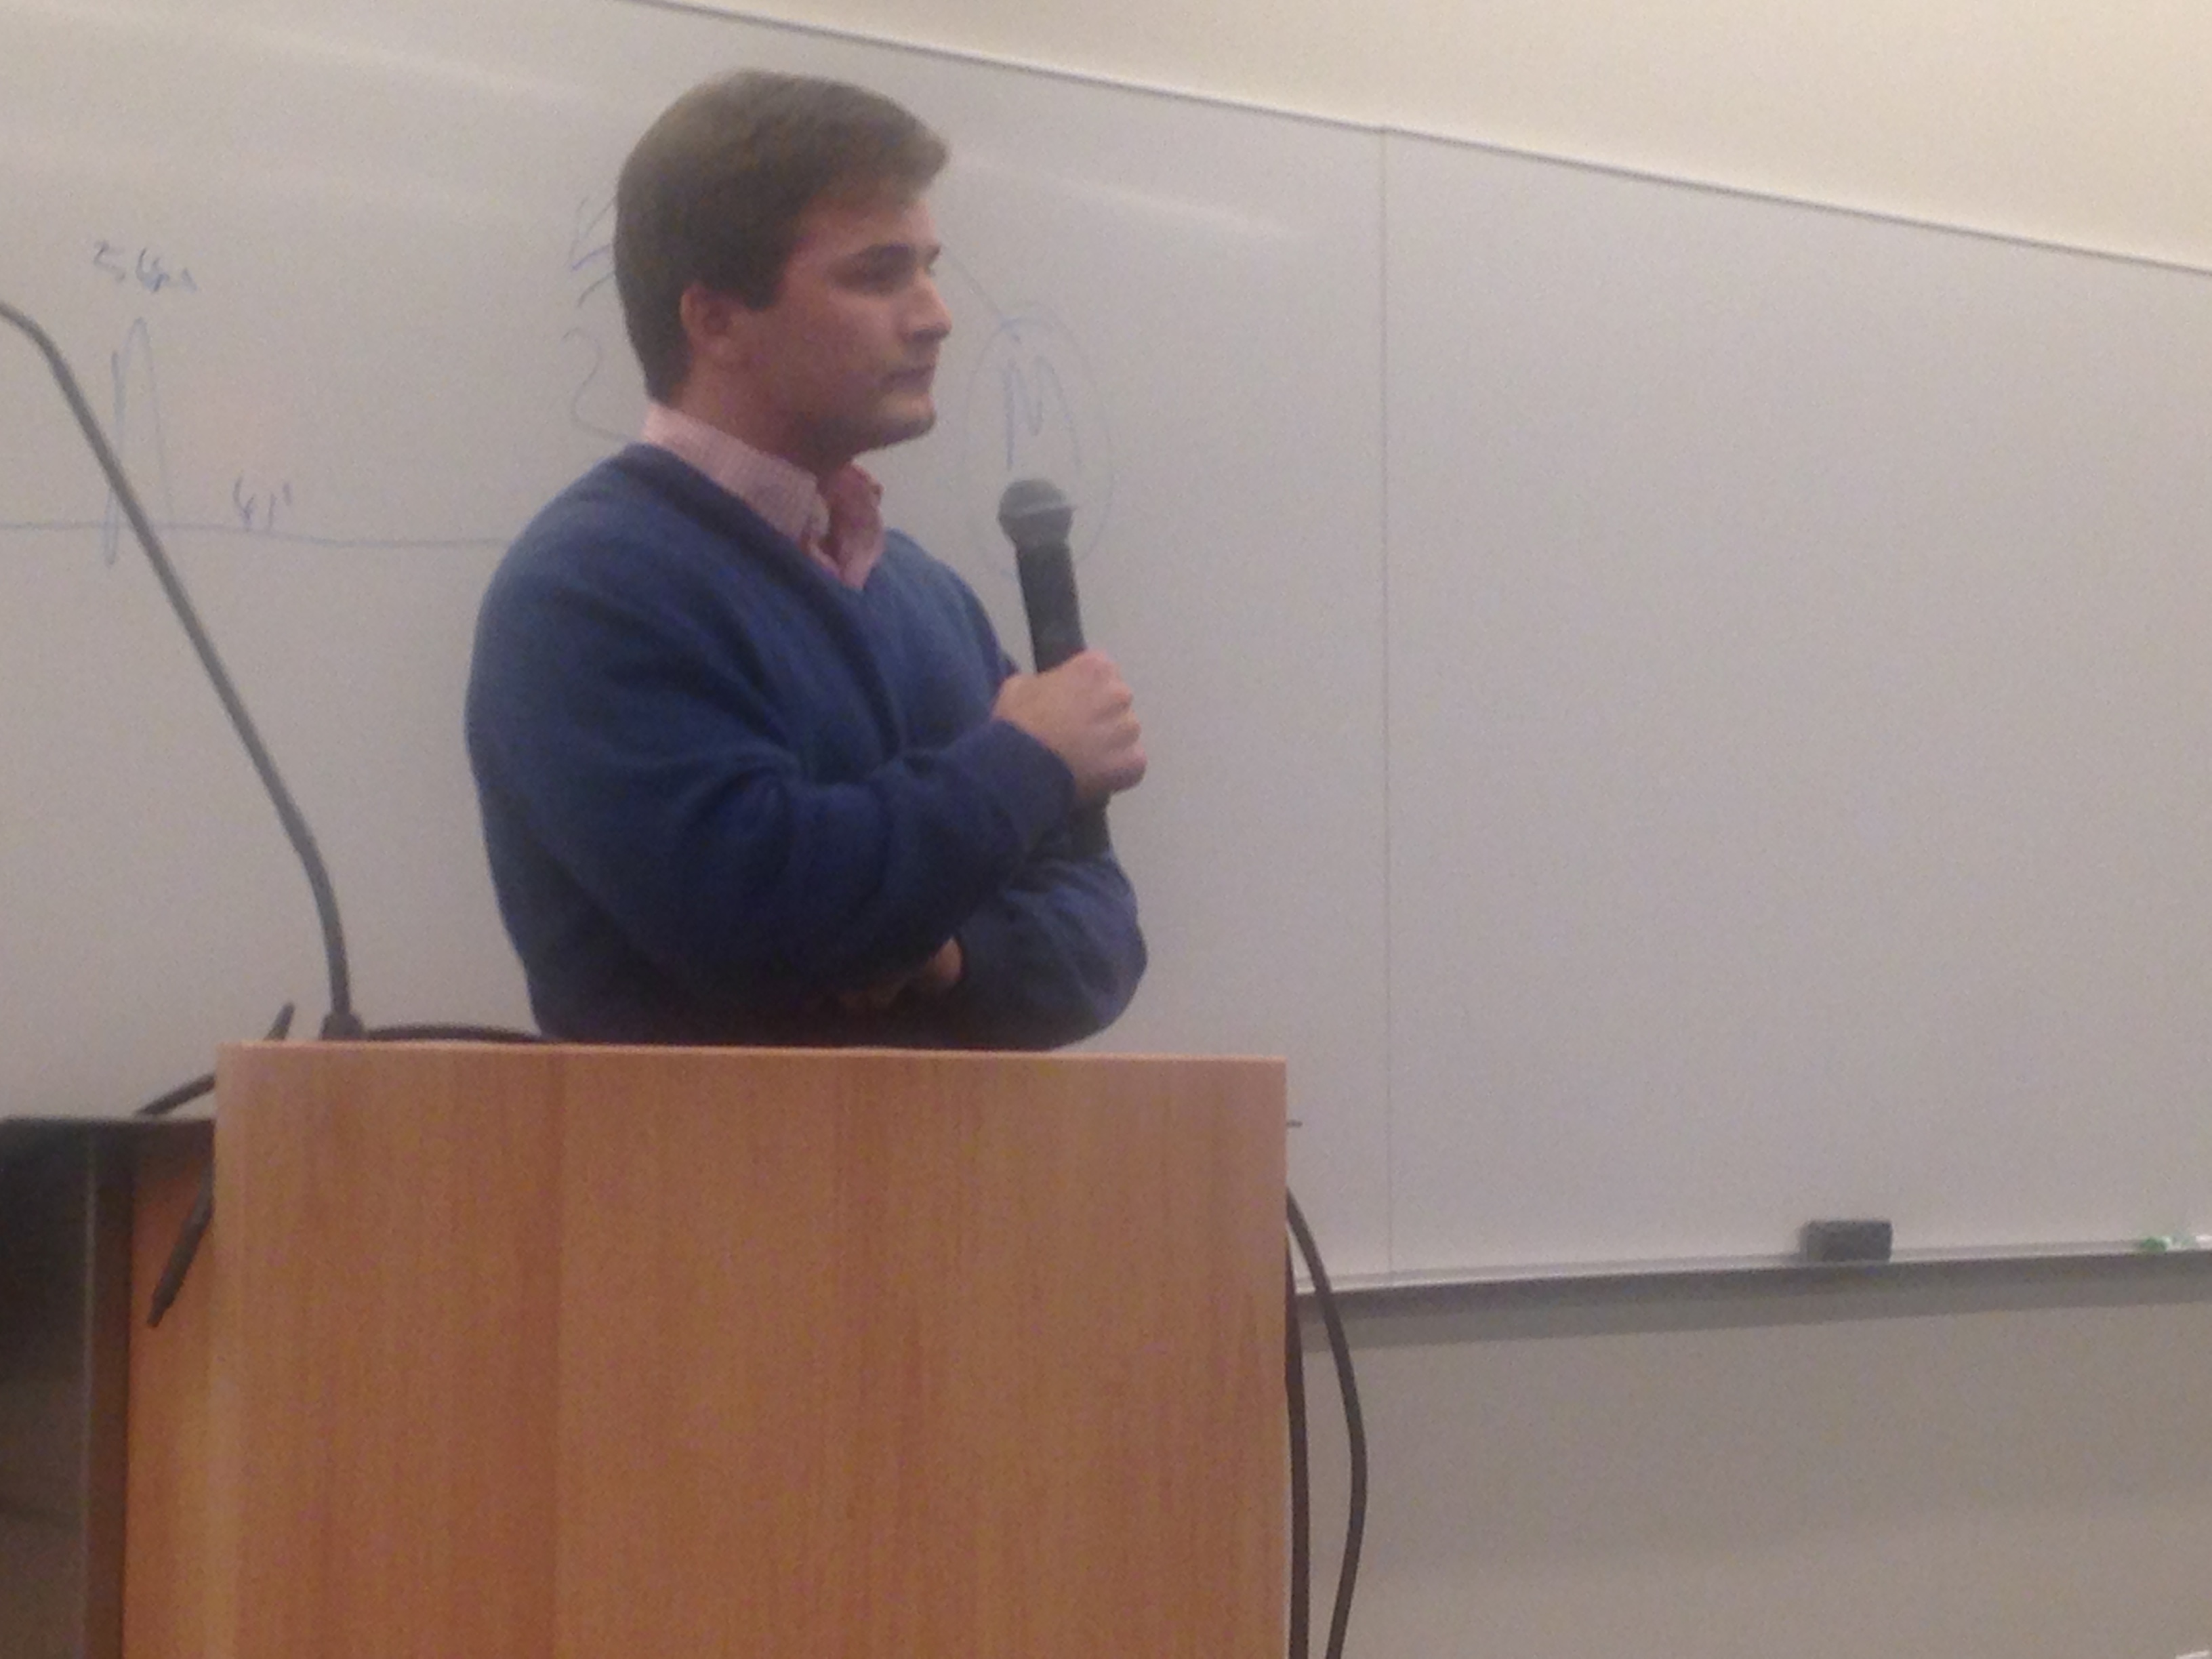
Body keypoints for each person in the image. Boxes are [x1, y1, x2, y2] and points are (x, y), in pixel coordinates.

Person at [466, 71, 1147, 1048]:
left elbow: (1102, 929)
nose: (936, 314)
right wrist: (1029, 758)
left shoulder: (928, 596)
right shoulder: (588, 590)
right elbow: (759, 910)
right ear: (716, 321)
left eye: (929, 267)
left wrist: (956, 957)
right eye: (878, 275)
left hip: (964, 1151)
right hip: (696, 1151)